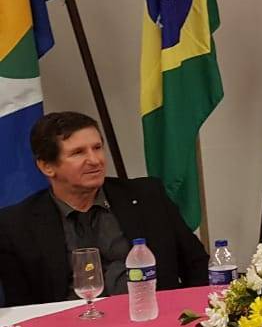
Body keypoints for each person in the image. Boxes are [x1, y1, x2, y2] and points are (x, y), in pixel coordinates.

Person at [0, 110, 208, 306]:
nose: (94, 160)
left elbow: (196, 264)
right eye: (78, 153)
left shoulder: (147, 197)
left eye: (97, 148)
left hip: (151, 317)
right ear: (47, 166)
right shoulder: (17, 225)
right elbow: (21, 306)